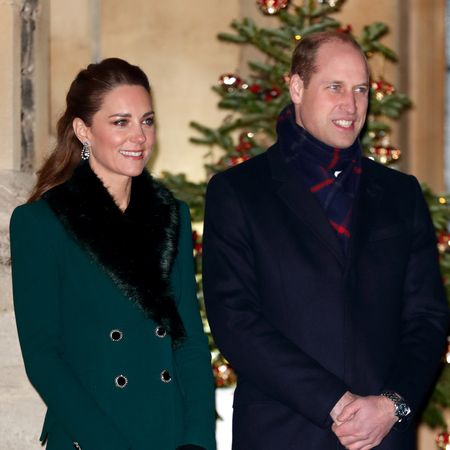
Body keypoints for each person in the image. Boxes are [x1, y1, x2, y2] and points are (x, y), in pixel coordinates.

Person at [202, 31, 449, 450]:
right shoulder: (240, 192)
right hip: (283, 435)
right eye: (334, 87)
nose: (350, 106)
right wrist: (335, 403)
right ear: (296, 87)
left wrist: (391, 406)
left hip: (383, 438)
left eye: (360, 90)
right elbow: (235, 320)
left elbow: (426, 317)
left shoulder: (400, 194)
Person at [10, 58, 216, 450]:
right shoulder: (41, 222)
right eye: (121, 122)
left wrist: (199, 440)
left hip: (168, 434)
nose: (139, 136)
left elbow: (187, 340)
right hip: (89, 437)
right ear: (83, 130)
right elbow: (43, 356)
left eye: (147, 120)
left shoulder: (172, 215)